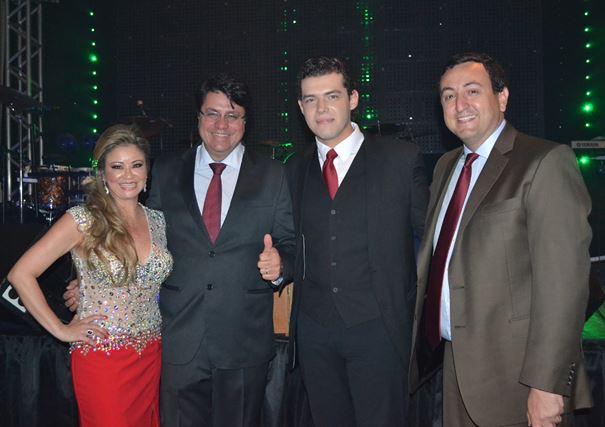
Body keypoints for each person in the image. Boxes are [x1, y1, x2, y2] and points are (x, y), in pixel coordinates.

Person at [408, 52, 593, 427]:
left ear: (502, 97)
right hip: (455, 370)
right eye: (448, 96)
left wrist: (547, 385)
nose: (459, 105)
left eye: (472, 91)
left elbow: (564, 287)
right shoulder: (445, 167)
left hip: (518, 381)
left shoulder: (544, 162)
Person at [286, 56, 429, 427]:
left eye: (331, 96)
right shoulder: (294, 168)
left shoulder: (400, 159)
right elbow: (292, 245)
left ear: (352, 99)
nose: (321, 108)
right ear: (301, 107)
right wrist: (279, 267)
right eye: (311, 99)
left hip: (380, 329)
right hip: (314, 332)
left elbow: (433, 240)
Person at [146, 74, 295, 427]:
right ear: (198, 117)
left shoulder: (274, 174)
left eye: (232, 115)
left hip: (244, 339)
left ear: (245, 122)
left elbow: (289, 242)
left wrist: (281, 264)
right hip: (179, 336)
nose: (221, 125)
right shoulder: (166, 170)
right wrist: (96, 283)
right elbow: (144, 243)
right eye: (212, 114)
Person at [9, 124, 173, 427]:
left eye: (136, 165)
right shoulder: (83, 219)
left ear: (147, 171)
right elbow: (21, 274)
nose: (128, 175)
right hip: (103, 358)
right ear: (103, 174)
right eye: (117, 166)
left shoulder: (158, 221)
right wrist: (60, 330)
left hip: (151, 354)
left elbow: (150, 282)